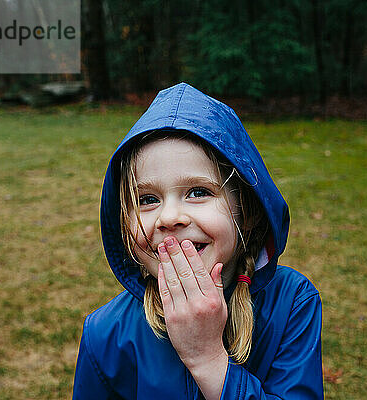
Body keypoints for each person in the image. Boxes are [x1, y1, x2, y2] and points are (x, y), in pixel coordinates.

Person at [73, 83, 323, 399]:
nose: (169, 217)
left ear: (245, 211)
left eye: (197, 192)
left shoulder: (293, 303)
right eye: (148, 198)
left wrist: (208, 359)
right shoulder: (105, 334)